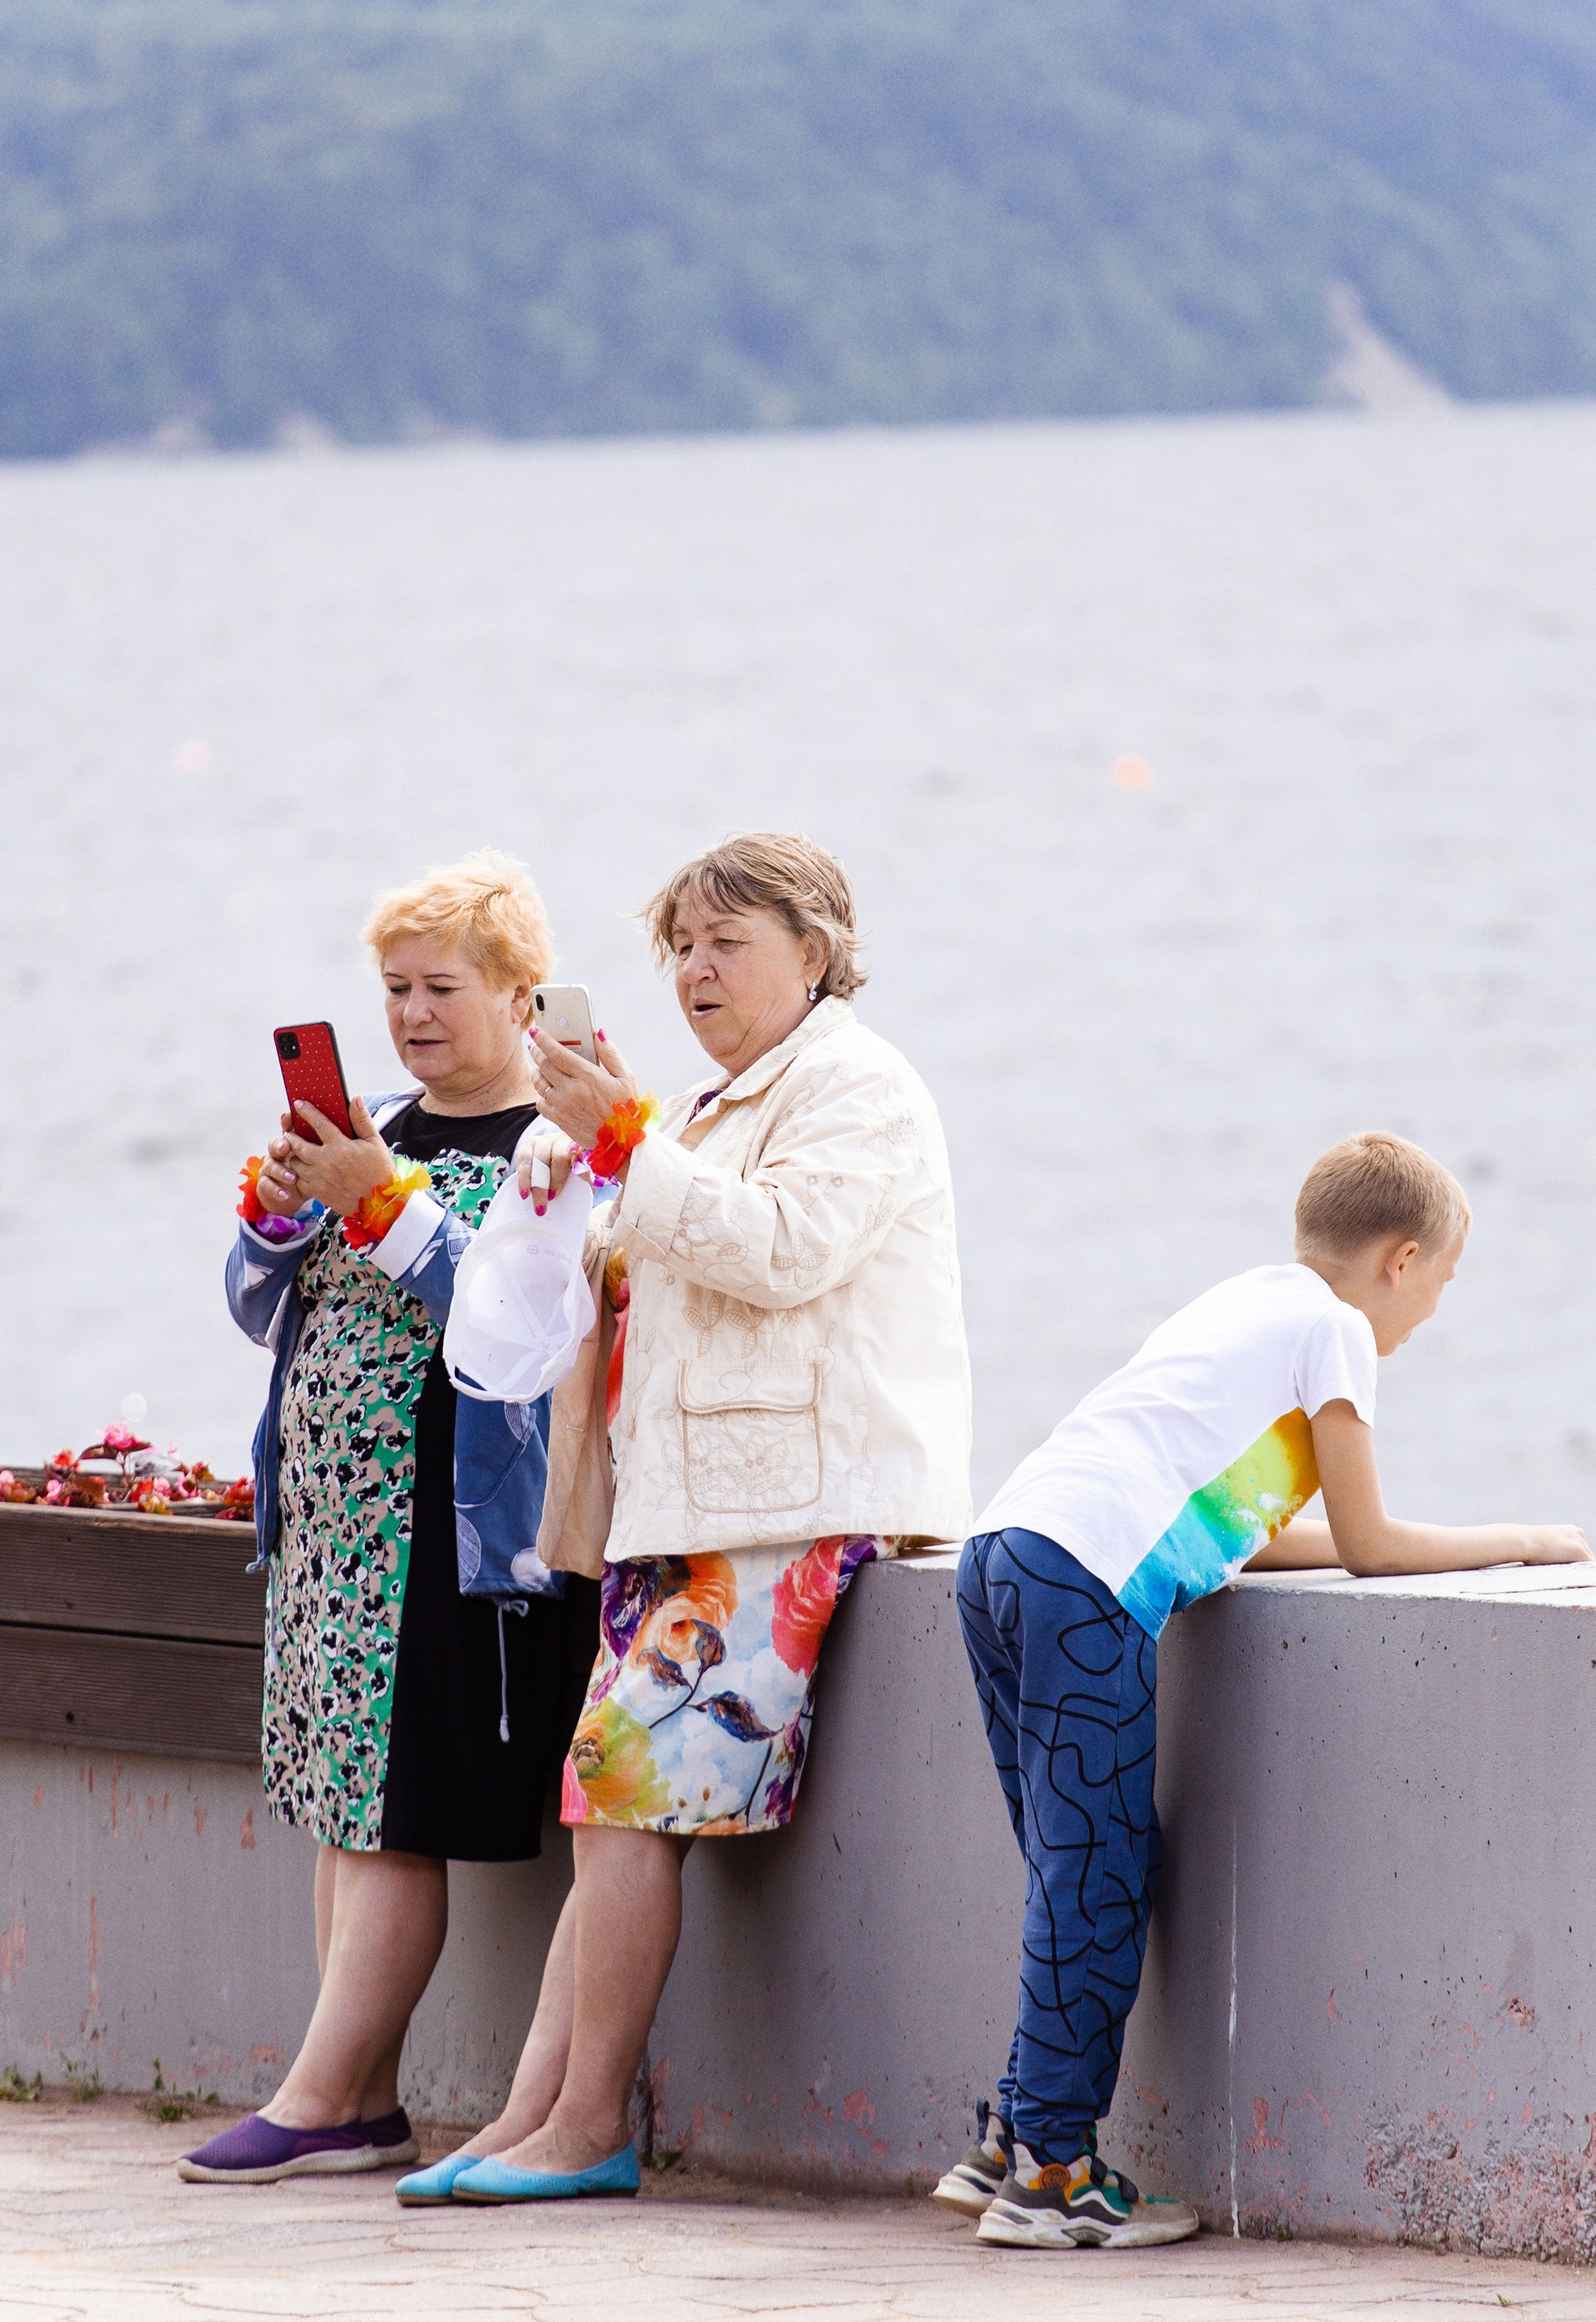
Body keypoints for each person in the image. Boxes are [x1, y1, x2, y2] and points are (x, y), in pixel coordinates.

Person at [395, 831, 971, 2205]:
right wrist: (578, 1205)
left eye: (727, 943)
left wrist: (622, 1149)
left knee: (609, 1795)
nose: (696, 971)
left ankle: (585, 2126)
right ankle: (533, 2118)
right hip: (706, 1508)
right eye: (682, 948)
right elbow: (670, 1257)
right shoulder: (721, 1102)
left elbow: (782, 1251)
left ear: (815, 955)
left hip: (791, 1506)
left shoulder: (859, 1084)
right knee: (604, 1799)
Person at [938, 1130, 1592, 2251]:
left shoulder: (1245, 1302)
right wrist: (1523, 1537)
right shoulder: (1339, 1330)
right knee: (1097, 1879)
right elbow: (1371, 1545)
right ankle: (1051, 2177)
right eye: (1441, 1281)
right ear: (1400, 1260)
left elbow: (1247, 1534)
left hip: (1005, 1556)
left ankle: (1010, 2139)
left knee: (1077, 1865)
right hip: (1083, 1580)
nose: (1432, 1310)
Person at [180, 851, 598, 2186]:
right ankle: (356, 2099)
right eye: (396, 989)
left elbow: (516, 1324)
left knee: (397, 1812)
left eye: (441, 988)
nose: (413, 1014)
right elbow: (262, 1312)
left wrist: (376, 1199)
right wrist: (277, 1217)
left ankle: (320, 2099)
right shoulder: (381, 1124)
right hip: (332, 1531)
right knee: (342, 1804)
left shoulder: (554, 1148)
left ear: (521, 995)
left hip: (451, 1537)